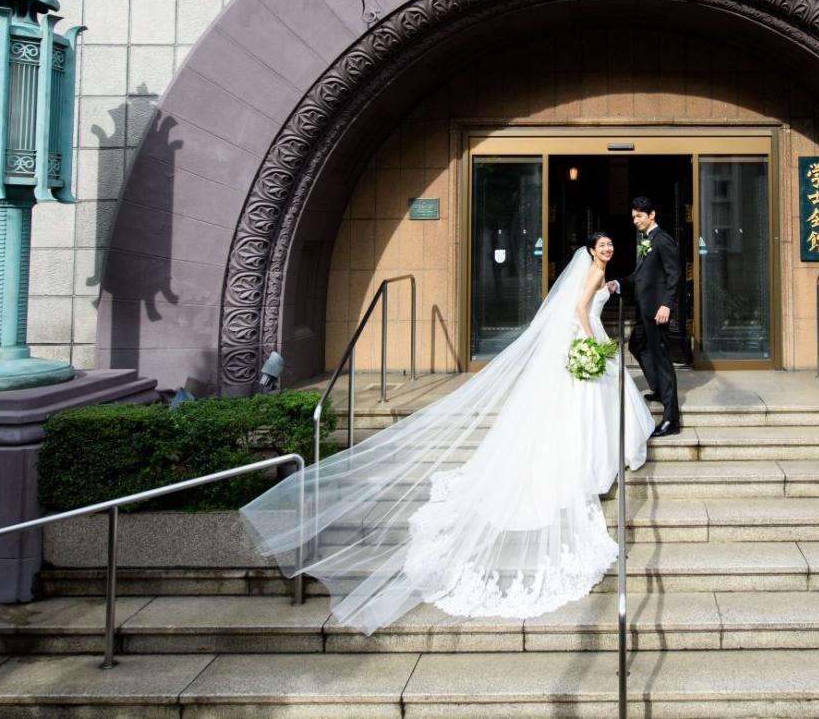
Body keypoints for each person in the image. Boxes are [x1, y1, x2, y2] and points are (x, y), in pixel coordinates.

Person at [240, 232, 654, 632]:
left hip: (581, 339)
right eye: (603, 245)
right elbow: (581, 310)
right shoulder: (593, 273)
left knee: (581, 402)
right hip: (584, 336)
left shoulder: (598, 272)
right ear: (591, 250)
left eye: (610, 246)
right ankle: (591, 456)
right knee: (588, 399)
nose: (608, 249)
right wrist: (588, 341)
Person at [619, 196, 682, 436]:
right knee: (636, 343)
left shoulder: (662, 240)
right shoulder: (647, 240)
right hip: (643, 310)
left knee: (663, 360)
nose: (635, 221)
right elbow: (639, 275)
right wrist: (617, 283)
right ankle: (657, 387)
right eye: (633, 217)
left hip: (657, 311)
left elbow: (674, 275)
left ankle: (671, 419)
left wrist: (667, 304)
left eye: (639, 216)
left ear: (651, 215)